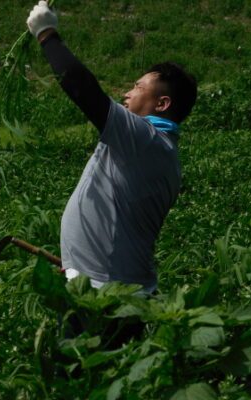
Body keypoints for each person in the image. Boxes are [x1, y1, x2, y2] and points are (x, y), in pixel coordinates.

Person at [26, 2, 197, 295]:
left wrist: (46, 34)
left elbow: (84, 90)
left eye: (138, 87)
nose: (127, 93)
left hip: (107, 294)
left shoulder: (145, 139)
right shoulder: (157, 147)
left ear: (162, 104)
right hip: (102, 282)